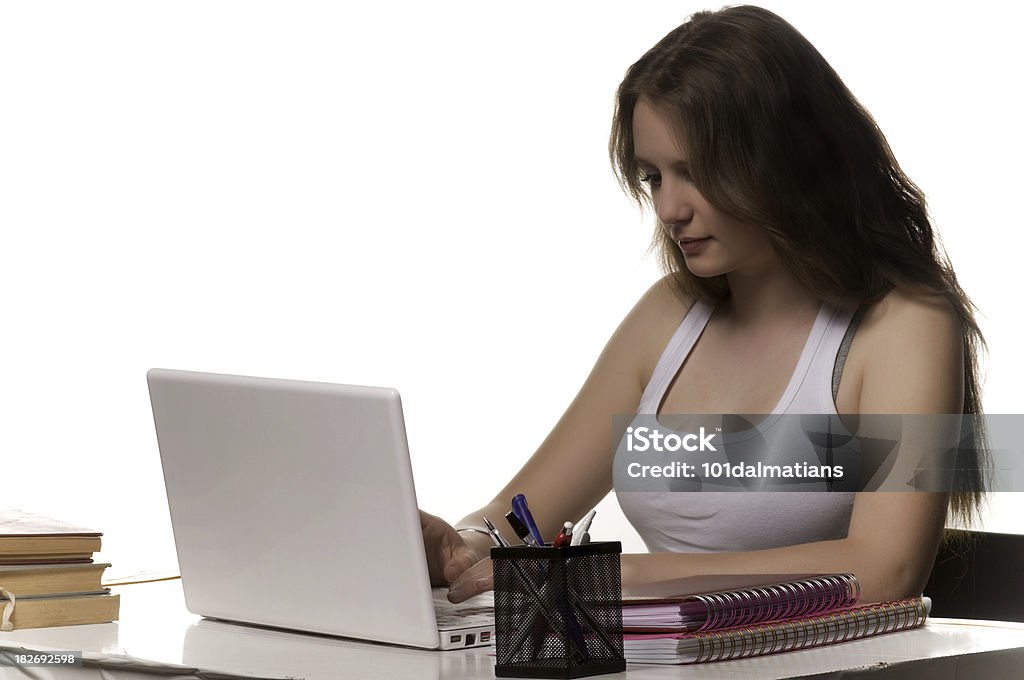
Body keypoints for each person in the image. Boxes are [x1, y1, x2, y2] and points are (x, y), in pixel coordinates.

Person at [421, 5, 986, 606]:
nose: (668, 210)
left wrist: (625, 576)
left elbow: (885, 572)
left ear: (782, 159)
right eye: (653, 178)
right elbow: (517, 521)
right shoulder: (669, 315)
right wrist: (464, 546)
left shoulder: (906, 325)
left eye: (695, 172)